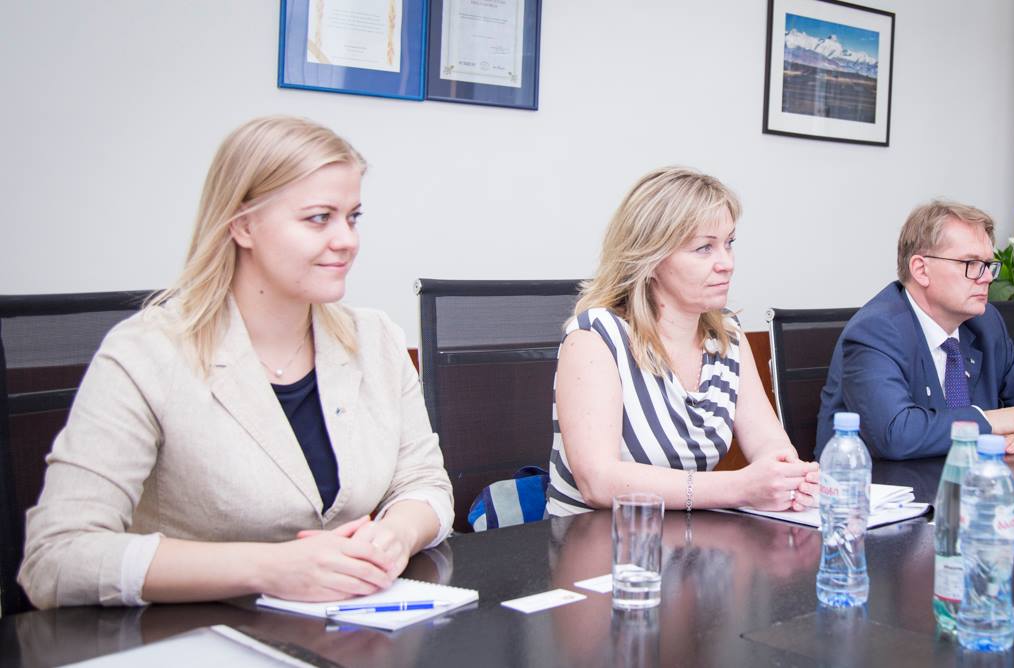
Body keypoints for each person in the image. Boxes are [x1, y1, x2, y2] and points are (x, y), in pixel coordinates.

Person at [19, 116, 454, 609]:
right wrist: (270, 567)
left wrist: (396, 535)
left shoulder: (375, 339)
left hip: (351, 628)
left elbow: (425, 484)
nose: (347, 240)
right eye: (319, 218)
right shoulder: (147, 352)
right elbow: (58, 557)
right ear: (243, 225)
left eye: (352, 217)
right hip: (188, 631)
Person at [546, 167, 818, 517]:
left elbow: (768, 441)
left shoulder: (728, 337)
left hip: (687, 539)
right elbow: (598, 481)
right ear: (650, 258)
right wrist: (741, 487)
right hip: (593, 539)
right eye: (704, 248)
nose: (727, 263)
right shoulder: (595, 338)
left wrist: (785, 474)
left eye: (729, 243)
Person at [816, 200, 1014, 461]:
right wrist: (990, 421)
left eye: (988, 264)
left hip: (970, 480)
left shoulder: (985, 324)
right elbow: (896, 433)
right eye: (971, 263)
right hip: (879, 484)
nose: (987, 277)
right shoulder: (876, 331)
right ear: (921, 270)